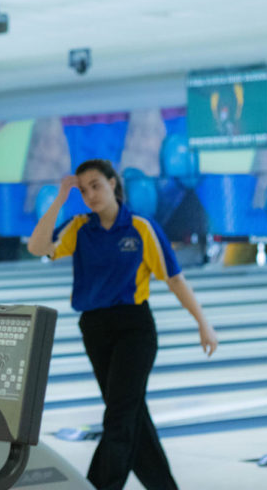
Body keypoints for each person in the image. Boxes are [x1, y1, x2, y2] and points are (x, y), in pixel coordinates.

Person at [27, 158, 218, 490]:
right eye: (83, 190)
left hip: (134, 329)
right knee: (130, 416)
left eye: (96, 185)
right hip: (95, 330)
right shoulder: (78, 227)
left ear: (113, 183)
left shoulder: (141, 227)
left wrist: (203, 323)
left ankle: (99, 486)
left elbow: (175, 280)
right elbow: (37, 247)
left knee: (119, 416)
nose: (90, 195)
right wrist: (60, 198)